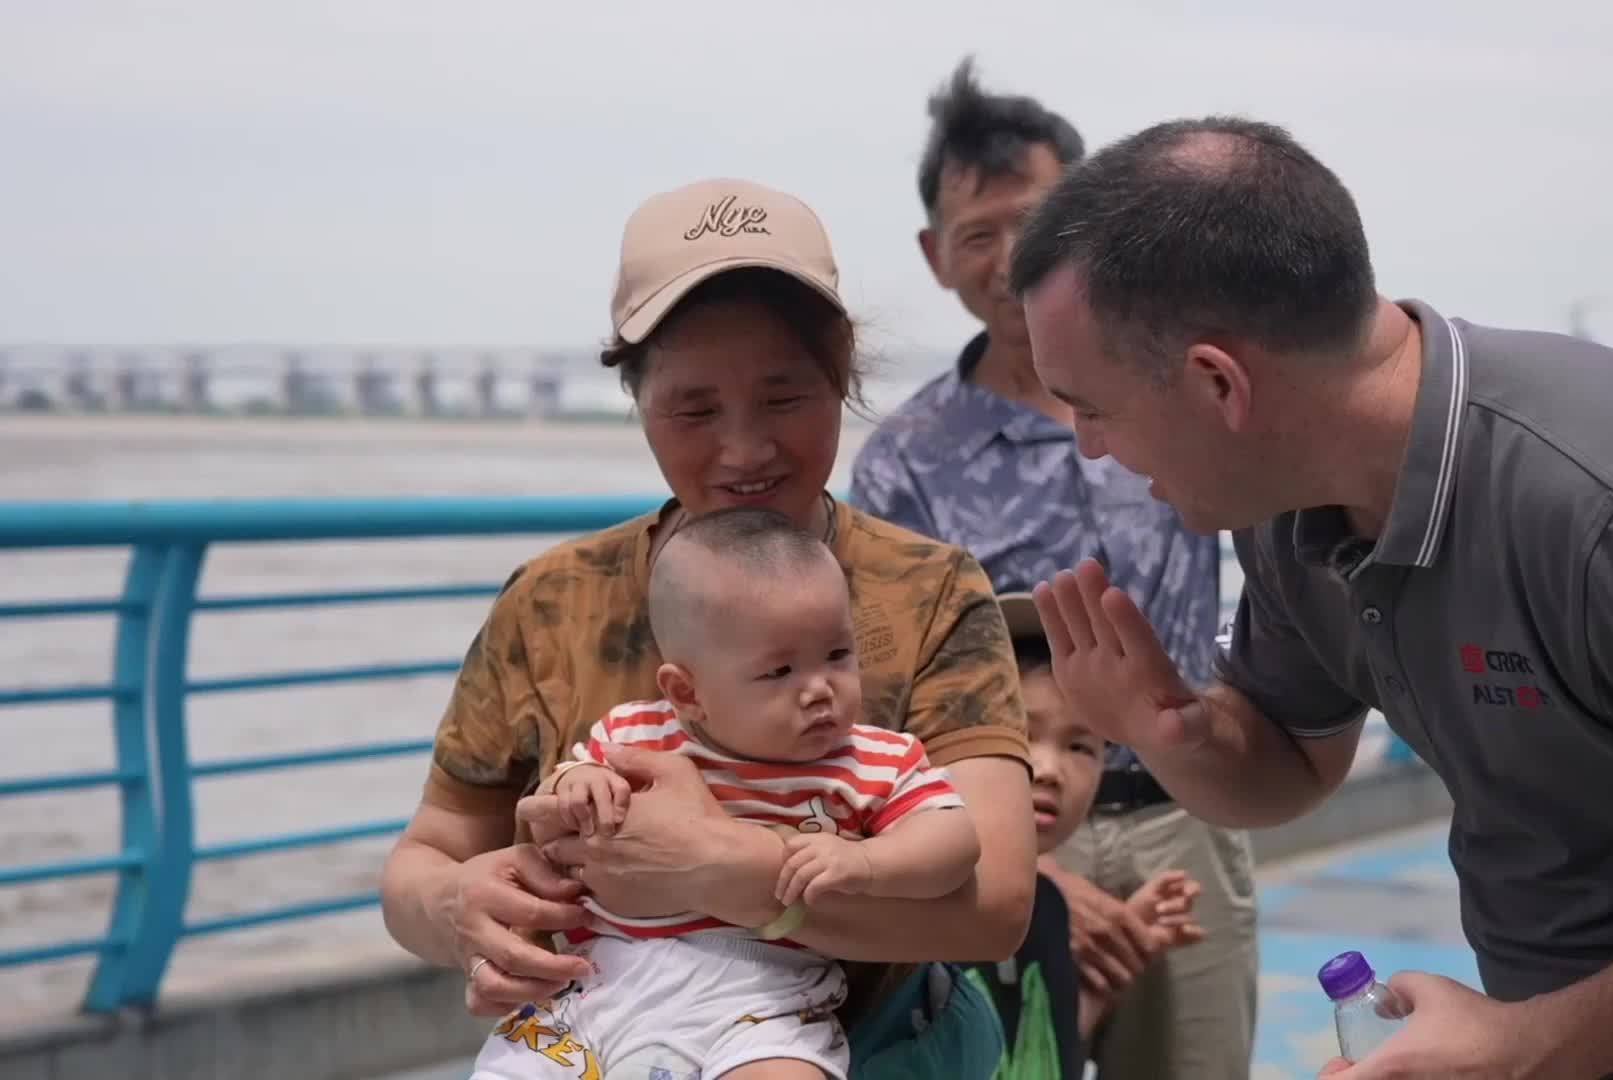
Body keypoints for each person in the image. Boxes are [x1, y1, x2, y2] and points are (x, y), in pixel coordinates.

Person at [1006, 113, 1613, 1080]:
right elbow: (1289, 766)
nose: (1089, 447)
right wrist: (1169, 729)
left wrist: (1532, 1044)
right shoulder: (1287, 501)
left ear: (1218, 385)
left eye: (1093, 408)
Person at [379, 176, 1036, 1079]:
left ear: (840, 372)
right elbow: (430, 855)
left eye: (785, 398)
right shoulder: (549, 602)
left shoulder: (930, 593)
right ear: (637, 394)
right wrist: (461, 908)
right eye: (693, 409)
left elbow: (995, 902)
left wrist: (715, 866)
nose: (744, 448)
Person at [849, 57, 1260, 1080]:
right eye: (975, 236)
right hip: (1002, 840)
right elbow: (893, 696)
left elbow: (1277, 557)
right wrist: (1029, 873)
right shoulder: (906, 459)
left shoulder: (1183, 391)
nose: (1005, 259)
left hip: (1185, 819)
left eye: (1031, 223)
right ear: (935, 256)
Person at [463, 508, 985, 1080]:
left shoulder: (875, 759)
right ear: (687, 692)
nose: (818, 689)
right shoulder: (637, 733)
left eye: (837, 655)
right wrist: (577, 784)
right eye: (778, 671)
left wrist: (869, 860)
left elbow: (953, 842)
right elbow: (566, 787)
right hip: (597, 978)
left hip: (765, 995)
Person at [959, 591, 1206, 1080]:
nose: (1049, 770)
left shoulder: (1049, 908)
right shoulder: (917, 903)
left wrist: (1111, 973)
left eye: (1080, 746)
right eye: (1021, 732)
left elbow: (1047, 1050)